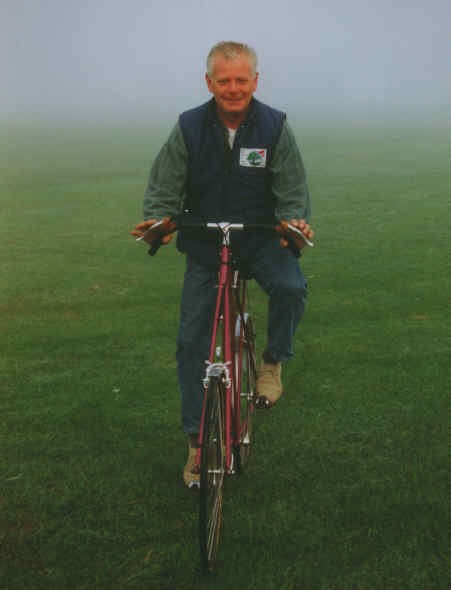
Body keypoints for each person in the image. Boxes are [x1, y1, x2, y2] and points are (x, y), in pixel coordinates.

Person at [132, 41, 314, 487]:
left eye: (241, 80)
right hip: (206, 243)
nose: (233, 88)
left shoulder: (274, 126)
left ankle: (272, 363)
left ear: (255, 80)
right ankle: (197, 444)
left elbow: (291, 188)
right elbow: (163, 185)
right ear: (209, 82)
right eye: (224, 80)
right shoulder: (189, 127)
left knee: (291, 288)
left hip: (262, 238)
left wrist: (294, 221)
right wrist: (159, 220)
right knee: (192, 340)